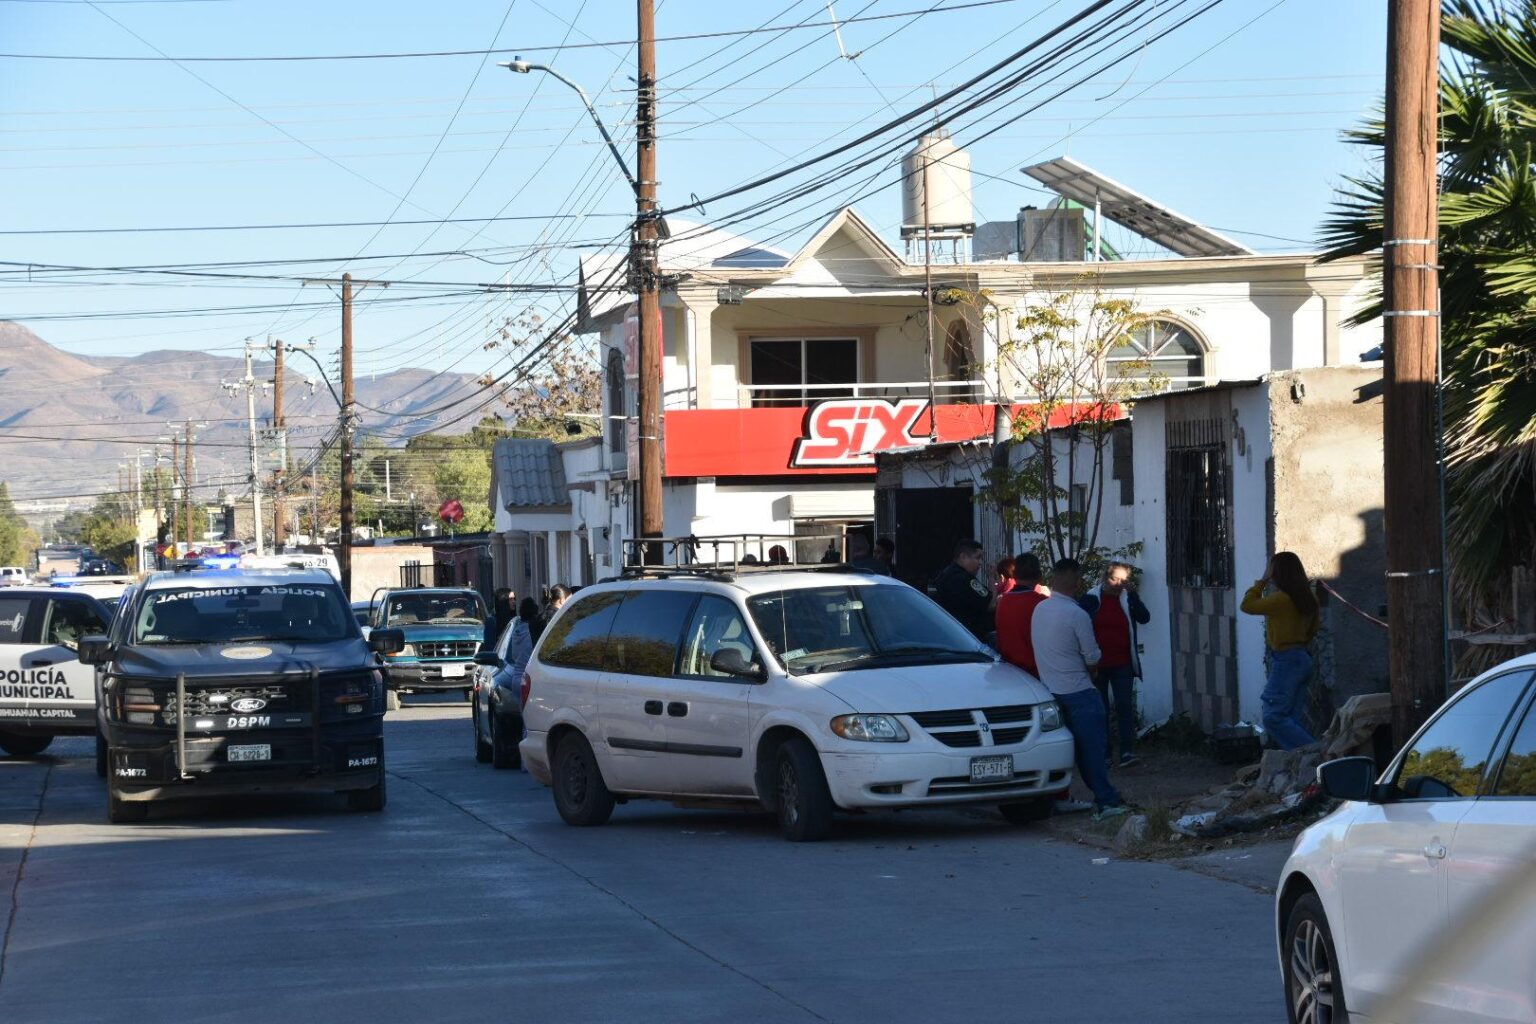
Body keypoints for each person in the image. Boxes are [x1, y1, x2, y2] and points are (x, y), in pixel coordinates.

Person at [1032, 558, 1128, 822]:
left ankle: (1056, 797)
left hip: (1051, 691)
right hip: (1079, 691)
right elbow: (1093, 657)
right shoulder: (1077, 614)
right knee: (1092, 751)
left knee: (1062, 752)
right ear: (1076, 581)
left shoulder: (1040, 610)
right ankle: (1106, 800)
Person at [1241, 551, 1323, 750]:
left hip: (1286, 660)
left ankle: (1316, 753)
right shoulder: (1309, 598)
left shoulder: (1281, 600)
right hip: (1303, 658)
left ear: (1278, 573)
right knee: (1292, 720)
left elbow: (1247, 606)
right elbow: (1313, 630)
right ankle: (1301, 763)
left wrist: (1261, 582)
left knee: (1273, 717)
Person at [1079, 563, 1151, 768]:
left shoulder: (1127, 599)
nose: (1118, 585)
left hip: (1122, 662)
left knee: (1124, 706)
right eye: (1114, 579)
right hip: (1097, 664)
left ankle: (1127, 751)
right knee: (1100, 709)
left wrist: (1134, 596)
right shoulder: (1091, 599)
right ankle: (1104, 753)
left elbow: (1145, 618)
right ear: (1104, 578)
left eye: (1122, 580)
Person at [994, 554, 1048, 677]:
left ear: (1015, 575)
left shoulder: (1002, 601)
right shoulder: (1042, 603)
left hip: (1007, 670)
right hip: (1035, 673)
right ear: (1039, 575)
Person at [932, 539, 995, 641]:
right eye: (978, 558)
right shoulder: (965, 579)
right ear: (963, 557)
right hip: (969, 637)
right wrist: (991, 577)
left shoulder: (944, 574)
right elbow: (991, 604)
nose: (980, 563)